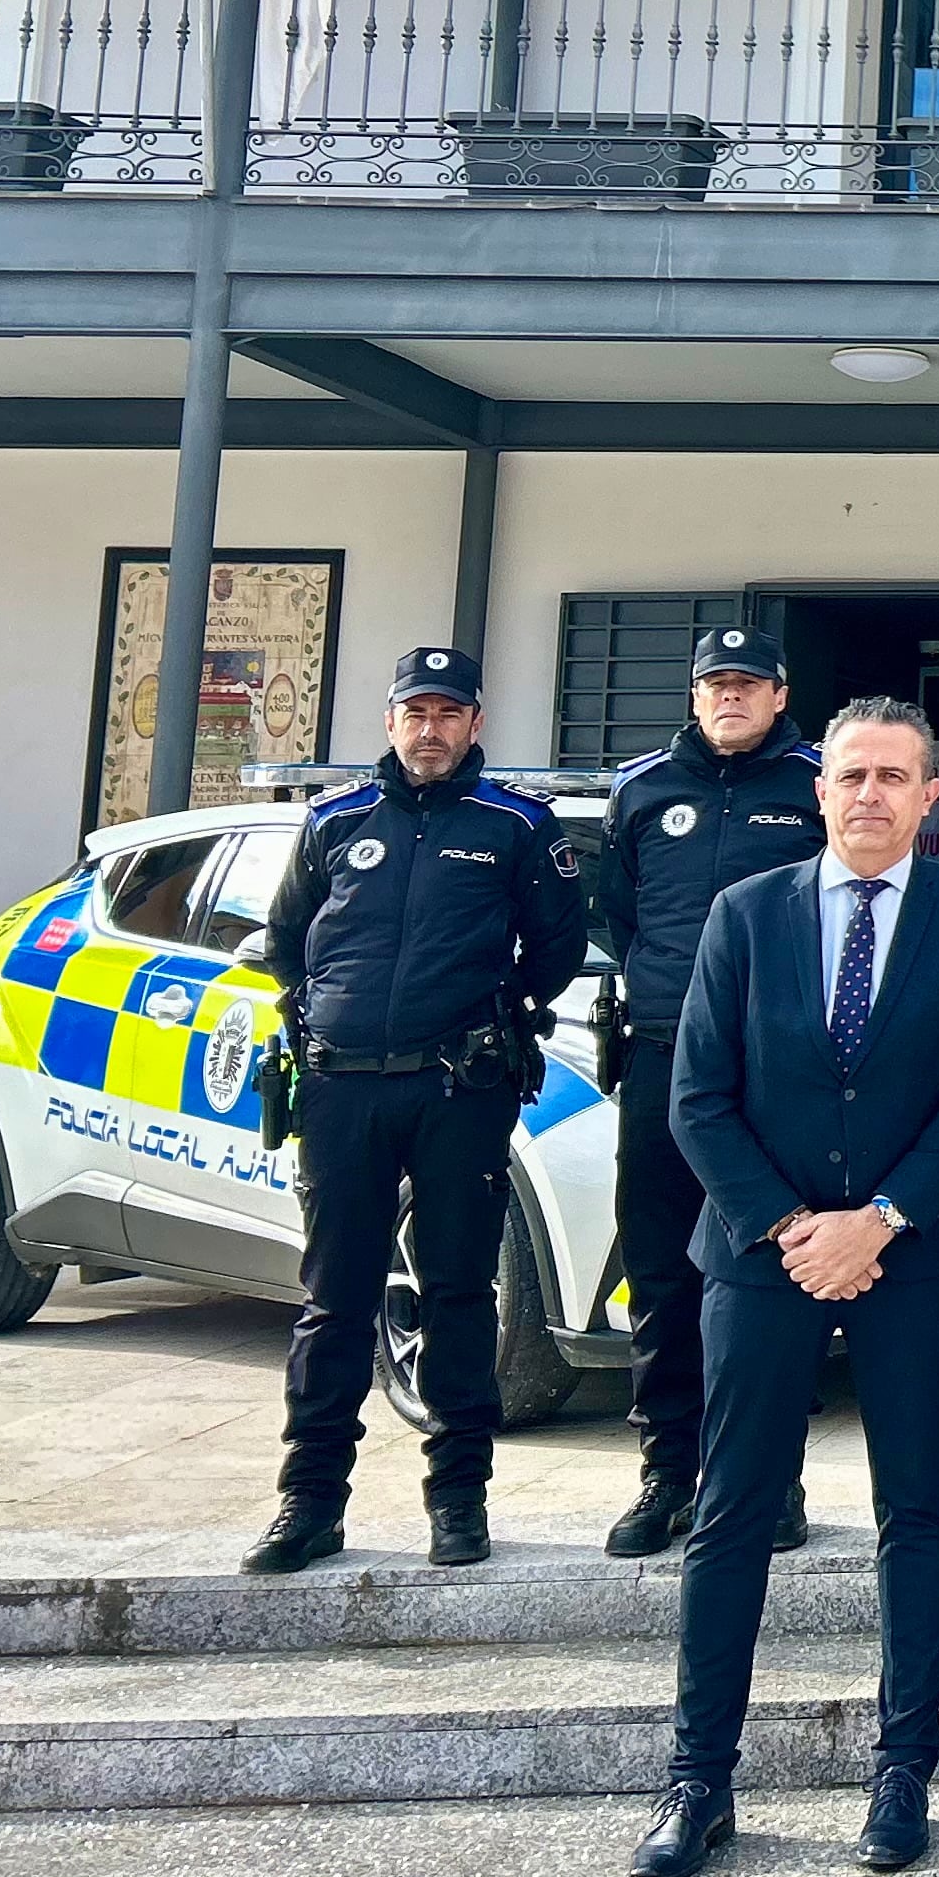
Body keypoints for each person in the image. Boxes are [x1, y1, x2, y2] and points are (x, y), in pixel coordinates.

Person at [630, 699, 939, 1877]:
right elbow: (698, 1097)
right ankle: (698, 1780)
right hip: (765, 1255)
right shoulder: (747, 915)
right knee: (733, 1511)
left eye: (895, 777)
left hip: (908, 1254)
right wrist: (797, 1227)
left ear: (929, 795)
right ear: (821, 789)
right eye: (852, 773)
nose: (870, 795)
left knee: (916, 1514)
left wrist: (882, 1220)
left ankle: (905, 1771)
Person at [245, 644, 585, 1578]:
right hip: (344, 1086)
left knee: (459, 1294)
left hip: (456, 1089)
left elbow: (558, 945)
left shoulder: (517, 825)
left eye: (448, 714)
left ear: (475, 724)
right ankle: (308, 1503)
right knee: (333, 1300)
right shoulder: (332, 819)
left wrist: (492, 1015)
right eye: (414, 713)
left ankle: (458, 1502)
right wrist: (321, 1016)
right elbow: (286, 941)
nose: (429, 731)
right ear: (389, 723)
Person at [586, 626, 824, 1562]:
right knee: (662, 1269)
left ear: (777, 694)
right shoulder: (643, 790)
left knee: (779, 1268)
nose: (730, 697)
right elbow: (620, 911)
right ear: (693, 695)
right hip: (663, 1060)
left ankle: (774, 1479)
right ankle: (666, 1473)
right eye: (715, 684)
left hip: (778, 1069)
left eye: (748, 684)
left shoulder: (811, 782)